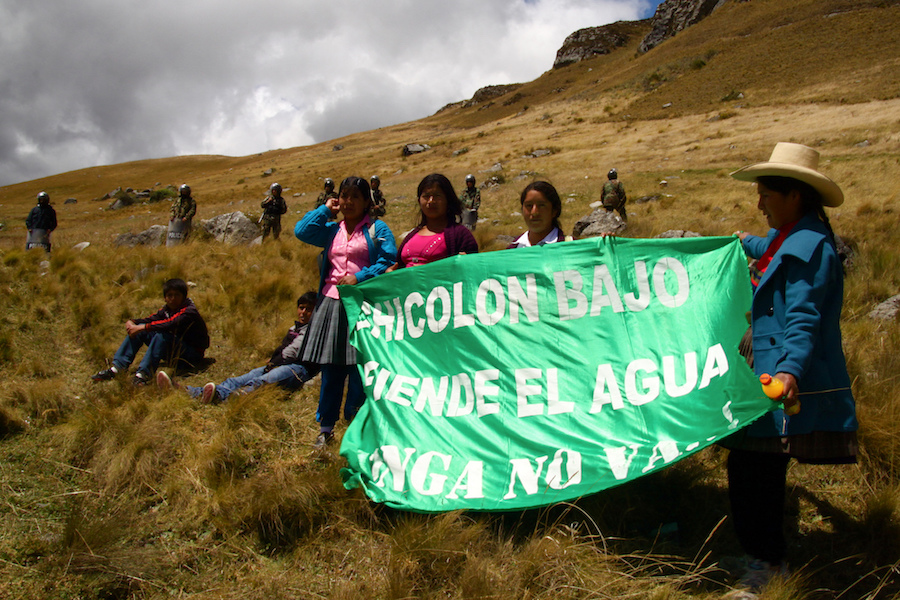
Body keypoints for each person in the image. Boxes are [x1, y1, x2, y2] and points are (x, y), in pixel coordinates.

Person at [722, 142, 857, 596]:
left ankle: (768, 565)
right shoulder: (792, 237)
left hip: (776, 380)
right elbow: (766, 246)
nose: (757, 202)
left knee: (754, 474)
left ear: (793, 197)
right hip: (766, 375)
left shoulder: (809, 249)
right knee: (747, 467)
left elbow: (804, 318)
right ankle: (761, 553)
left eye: (765, 194)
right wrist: (735, 242)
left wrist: (789, 374)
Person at [294, 176, 397, 448]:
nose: (349, 202)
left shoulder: (377, 228)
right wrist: (325, 209)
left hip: (362, 304)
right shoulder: (331, 229)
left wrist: (360, 276)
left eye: (355, 197)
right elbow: (301, 231)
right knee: (331, 368)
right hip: (330, 303)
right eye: (344, 196)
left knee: (358, 368)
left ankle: (355, 424)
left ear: (366, 202)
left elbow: (389, 259)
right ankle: (325, 428)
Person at [158, 292, 319, 403]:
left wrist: (272, 363)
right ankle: (191, 391)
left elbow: (290, 353)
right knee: (238, 380)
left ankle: (219, 396)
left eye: (309, 309)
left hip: (298, 369)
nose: (303, 312)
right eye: (301, 307)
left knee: (260, 381)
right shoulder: (295, 328)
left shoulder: (314, 330)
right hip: (279, 363)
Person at [92, 278, 210, 386]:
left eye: (177, 295)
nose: (173, 299)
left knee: (160, 335)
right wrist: (133, 322)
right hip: (175, 352)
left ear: (184, 296)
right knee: (142, 329)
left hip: (192, 356)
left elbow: (170, 324)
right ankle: (118, 368)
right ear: (165, 297)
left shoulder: (189, 311)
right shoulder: (166, 310)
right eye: (169, 295)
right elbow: (150, 320)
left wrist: (142, 327)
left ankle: (144, 374)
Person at [392, 173, 478, 268]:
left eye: (437, 196)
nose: (431, 201)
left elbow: (474, 272)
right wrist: (390, 275)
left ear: (448, 200)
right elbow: (398, 269)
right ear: (419, 201)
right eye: (426, 196)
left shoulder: (461, 236)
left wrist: (467, 264)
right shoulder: (411, 236)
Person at [507, 181, 569, 248]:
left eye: (541, 205)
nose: (534, 212)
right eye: (529, 205)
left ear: (554, 211)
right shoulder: (512, 250)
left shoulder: (571, 248)